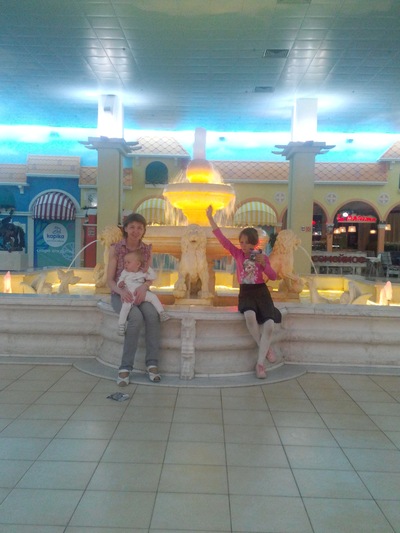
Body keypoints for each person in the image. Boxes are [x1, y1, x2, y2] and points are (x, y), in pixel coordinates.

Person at [206, 205, 281, 379]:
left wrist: (264, 264)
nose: (243, 245)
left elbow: (273, 276)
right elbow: (222, 239)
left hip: (261, 292)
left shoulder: (262, 257)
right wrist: (210, 217)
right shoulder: (238, 254)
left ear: (255, 243)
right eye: (241, 242)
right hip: (246, 292)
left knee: (269, 325)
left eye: (246, 242)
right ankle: (264, 352)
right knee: (249, 316)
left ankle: (260, 363)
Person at [107, 213, 162, 386]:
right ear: (125, 228)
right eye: (132, 227)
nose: (136, 231)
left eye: (140, 227)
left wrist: (144, 287)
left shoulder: (146, 250)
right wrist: (121, 292)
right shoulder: (116, 249)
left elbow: (148, 276)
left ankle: (152, 364)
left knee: (153, 315)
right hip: (121, 294)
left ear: (144, 230)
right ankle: (125, 367)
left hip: (140, 292)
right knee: (136, 318)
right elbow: (109, 280)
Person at [117, 249, 170, 335]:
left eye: (128, 262)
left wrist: (148, 268)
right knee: (125, 308)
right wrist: (120, 283)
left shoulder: (142, 272)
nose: (125, 264)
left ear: (138, 264)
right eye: (125, 262)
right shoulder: (125, 272)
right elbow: (120, 280)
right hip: (130, 295)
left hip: (141, 294)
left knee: (153, 297)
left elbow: (153, 277)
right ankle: (121, 325)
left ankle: (161, 312)